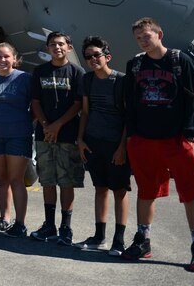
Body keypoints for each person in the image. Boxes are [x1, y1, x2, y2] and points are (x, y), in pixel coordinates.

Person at [121, 17, 194, 272]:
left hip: (175, 139)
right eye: (138, 37)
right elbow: (130, 102)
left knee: (191, 193)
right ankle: (143, 241)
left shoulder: (179, 61)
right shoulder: (135, 64)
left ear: (159, 34)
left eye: (146, 36)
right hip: (144, 140)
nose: (142, 40)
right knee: (146, 191)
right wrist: (132, 137)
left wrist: (189, 134)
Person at [74, 36, 130, 255]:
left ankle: (119, 240)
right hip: (93, 141)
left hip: (116, 143)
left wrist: (122, 147)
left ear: (107, 56)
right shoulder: (87, 80)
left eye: (96, 55)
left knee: (120, 190)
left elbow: (128, 117)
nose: (92, 59)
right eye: (88, 56)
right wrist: (80, 139)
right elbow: (86, 112)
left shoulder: (121, 81)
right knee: (100, 189)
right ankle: (99, 237)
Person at [29, 32, 85, 246]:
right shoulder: (40, 71)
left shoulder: (76, 72)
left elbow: (78, 104)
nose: (57, 47)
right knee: (48, 181)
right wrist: (45, 125)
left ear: (69, 47)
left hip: (67, 135)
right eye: (52, 44)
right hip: (45, 135)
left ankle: (66, 228)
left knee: (67, 181)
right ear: (47, 48)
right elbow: (35, 101)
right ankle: (49, 225)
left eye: (61, 44)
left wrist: (58, 124)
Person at [0, 42, 33, 238]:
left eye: (7, 56)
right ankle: (4, 219)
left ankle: (20, 224)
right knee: (1, 180)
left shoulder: (25, 79)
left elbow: (34, 105)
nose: (3, 60)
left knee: (16, 179)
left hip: (18, 134)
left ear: (15, 59)